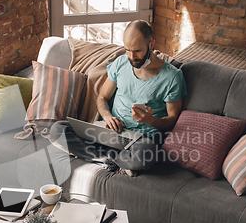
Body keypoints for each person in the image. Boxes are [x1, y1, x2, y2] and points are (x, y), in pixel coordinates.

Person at [51, 20, 187, 176]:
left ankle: (103, 157)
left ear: (151, 44)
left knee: (144, 155)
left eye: (136, 50)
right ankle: (114, 162)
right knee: (58, 129)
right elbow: (102, 97)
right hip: (111, 132)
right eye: (127, 50)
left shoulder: (172, 77)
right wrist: (108, 117)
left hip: (141, 140)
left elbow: (173, 119)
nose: (131, 56)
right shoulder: (121, 63)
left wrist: (150, 120)